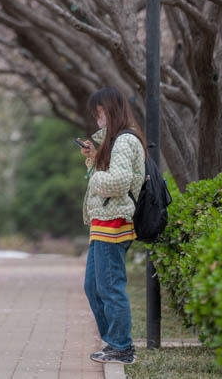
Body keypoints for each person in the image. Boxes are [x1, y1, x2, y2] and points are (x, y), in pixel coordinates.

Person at [78, 86, 146, 367]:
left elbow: (118, 182)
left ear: (110, 111)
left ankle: (121, 346)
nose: (98, 120)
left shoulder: (124, 141)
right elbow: (112, 174)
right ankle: (114, 343)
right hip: (104, 223)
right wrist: (94, 159)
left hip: (114, 223)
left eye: (100, 113)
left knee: (109, 287)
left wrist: (94, 178)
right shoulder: (116, 141)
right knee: (94, 287)